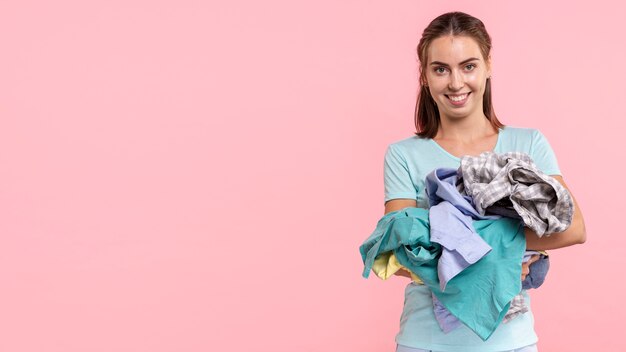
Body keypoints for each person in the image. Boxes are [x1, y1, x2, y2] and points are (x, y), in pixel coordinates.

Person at [382, 11, 586, 352]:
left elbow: (574, 228)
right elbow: (399, 253)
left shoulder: (528, 144)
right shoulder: (403, 155)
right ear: (425, 76)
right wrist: (501, 260)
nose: (456, 83)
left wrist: (459, 246)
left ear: (488, 66)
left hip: (511, 343)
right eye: (440, 69)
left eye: (468, 66)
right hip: (426, 341)